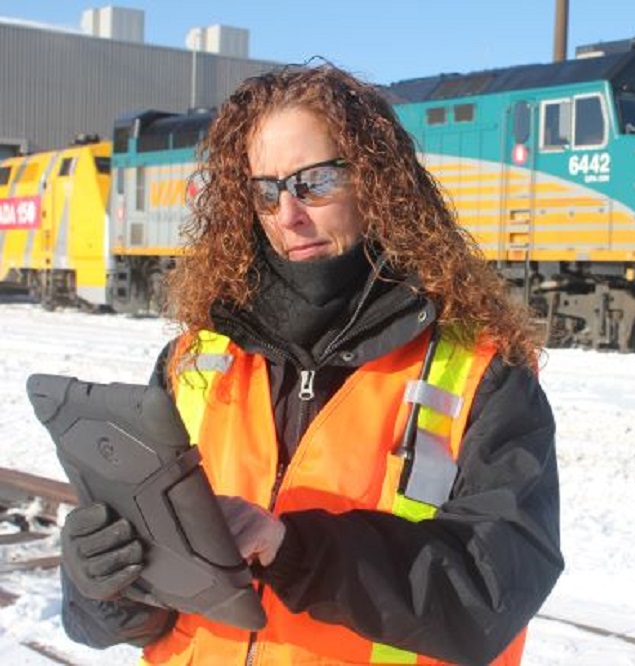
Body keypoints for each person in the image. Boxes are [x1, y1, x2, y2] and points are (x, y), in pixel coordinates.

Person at [58, 62, 563, 665]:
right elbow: (148, 621)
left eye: (314, 182)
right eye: (265, 191)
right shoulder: (194, 362)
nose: (288, 215)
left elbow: (491, 590)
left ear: (378, 182)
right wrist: (101, 581)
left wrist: (293, 548)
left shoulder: (482, 372)